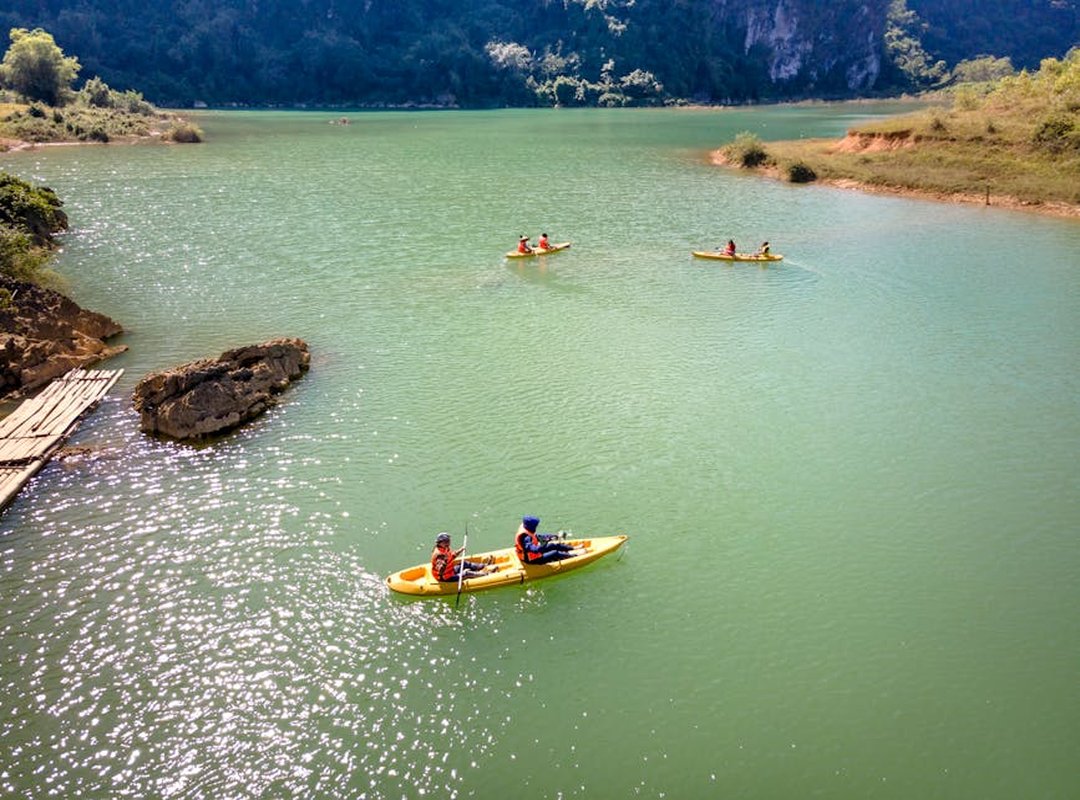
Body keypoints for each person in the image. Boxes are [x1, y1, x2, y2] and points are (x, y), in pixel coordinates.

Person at [430, 532, 495, 583]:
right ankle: (486, 574)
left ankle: (484, 566)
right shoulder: (439, 555)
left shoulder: (445, 548)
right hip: (445, 578)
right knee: (466, 573)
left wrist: (460, 550)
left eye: (448, 541)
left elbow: (451, 556)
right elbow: (440, 569)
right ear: (440, 543)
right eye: (446, 541)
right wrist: (442, 565)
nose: (448, 543)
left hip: (450, 571)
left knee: (464, 564)